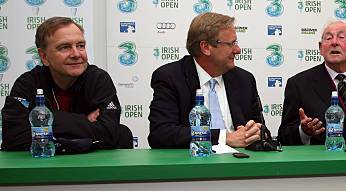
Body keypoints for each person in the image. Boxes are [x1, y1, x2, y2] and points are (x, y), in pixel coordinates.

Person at [1, 17, 133, 151]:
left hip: (90, 166)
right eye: (65, 47)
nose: (76, 54)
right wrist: (84, 122)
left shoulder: (98, 79)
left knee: (123, 133)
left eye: (81, 46)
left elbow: (109, 135)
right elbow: (13, 139)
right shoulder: (27, 84)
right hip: (43, 167)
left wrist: (43, 121)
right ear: (44, 56)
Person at [148, 12, 262, 148]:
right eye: (231, 44)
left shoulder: (244, 80)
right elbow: (161, 134)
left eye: (236, 43)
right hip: (192, 164)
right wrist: (223, 138)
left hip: (240, 162)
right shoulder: (170, 77)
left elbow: (258, 127)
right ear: (206, 47)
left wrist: (255, 131)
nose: (238, 50)